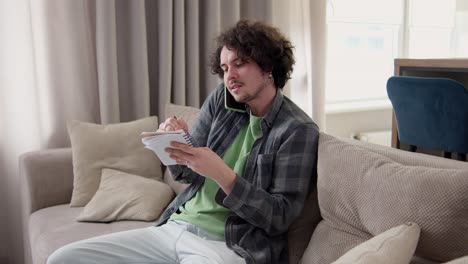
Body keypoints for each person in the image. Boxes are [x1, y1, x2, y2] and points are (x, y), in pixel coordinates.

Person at [48, 19, 319, 264]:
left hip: (227, 245)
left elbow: (279, 217)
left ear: (268, 66)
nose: (229, 77)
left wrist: (221, 173)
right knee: (62, 258)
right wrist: (175, 143)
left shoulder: (297, 130)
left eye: (240, 64)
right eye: (224, 68)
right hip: (175, 226)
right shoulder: (221, 102)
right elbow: (184, 174)